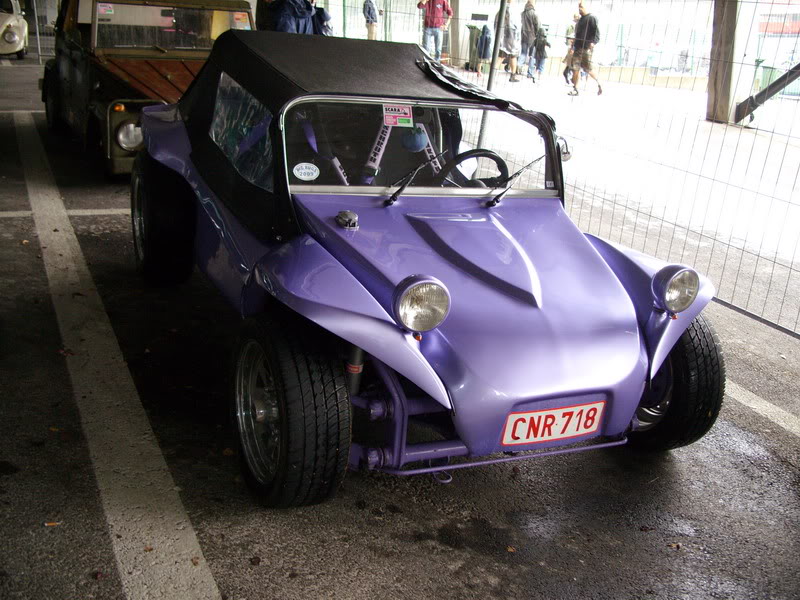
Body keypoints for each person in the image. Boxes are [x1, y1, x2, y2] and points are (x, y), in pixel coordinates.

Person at [569, 1, 602, 96]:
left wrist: (593, 43)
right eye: (579, 7)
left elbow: (596, 33)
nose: (580, 9)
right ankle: (575, 89)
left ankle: (599, 83)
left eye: (581, 7)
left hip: (585, 48)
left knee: (588, 69)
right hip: (578, 48)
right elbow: (577, 34)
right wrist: (572, 46)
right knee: (576, 69)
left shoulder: (591, 18)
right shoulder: (580, 20)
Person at [495, 0, 522, 82]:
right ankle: (512, 76)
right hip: (512, 36)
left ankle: (493, 74)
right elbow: (517, 24)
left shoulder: (501, 9)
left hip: (502, 36)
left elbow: (496, 22)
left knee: (501, 56)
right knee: (513, 56)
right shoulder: (514, 10)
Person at [519, 1, 539, 80]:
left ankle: (518, 68)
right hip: (532, 37)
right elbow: (537, 25)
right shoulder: (534, 14)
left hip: (524, 35)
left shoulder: (523, 14)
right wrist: (536, 34)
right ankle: (530, 73)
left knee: (523, 53)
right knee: (532, 56)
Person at [562, 12, 579, 85]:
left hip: (575, 46)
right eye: (576, 17)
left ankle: (569, 75)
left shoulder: (579, 25)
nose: (577, 18)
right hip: (572, 46)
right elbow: (568, 36)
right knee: (571, 62)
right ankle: (570, 76)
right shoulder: (571, 26)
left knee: (572, 62)